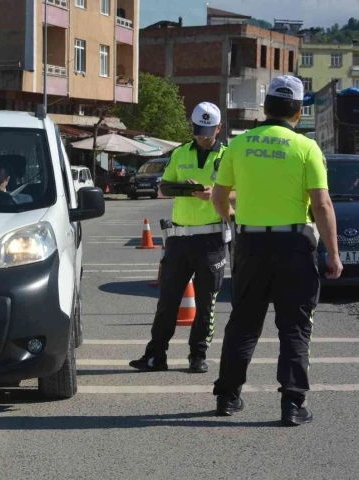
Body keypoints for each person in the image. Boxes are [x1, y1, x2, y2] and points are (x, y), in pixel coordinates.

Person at [211, 75, 342, 425]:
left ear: (265, 107)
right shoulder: (306, 148)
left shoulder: (239, 145)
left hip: (251, 244)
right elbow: (323, 204)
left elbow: (218, 196)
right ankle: (292, 404)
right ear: (298, 112)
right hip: (294, 245)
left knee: (243, 323)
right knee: (295, 326)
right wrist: (333, 253)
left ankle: (227, 397)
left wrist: (234, 220)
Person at [129, 102, 230, 374]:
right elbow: (163, 186)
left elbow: (242, 193)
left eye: (208, 131)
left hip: (211, 239)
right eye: (198, 130)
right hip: (179, 238)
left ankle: (198, 355)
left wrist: (216, 195)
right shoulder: (180, 153)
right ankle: (155, 356)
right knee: (167, 302)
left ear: (218, 128)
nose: (202, 136)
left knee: (206, 302)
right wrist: (184, 189)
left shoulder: (230, 156)